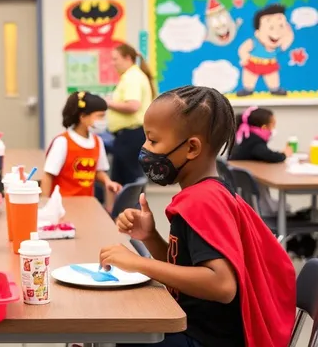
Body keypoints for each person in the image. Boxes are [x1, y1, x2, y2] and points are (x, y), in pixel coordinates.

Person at [101, 86, 295, 347]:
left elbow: (222, 285)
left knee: (116, 334)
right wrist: (150, 238)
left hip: (204, 339)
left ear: (192, 147)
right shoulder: (207, 192)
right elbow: (189, 268)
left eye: (154, 141)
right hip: (194, 329)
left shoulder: (202, 201)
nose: (145, 148)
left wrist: (138, 263)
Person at [43, 92, 121, 201]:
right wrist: (44, 204)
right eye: (100, 116)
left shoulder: (97, 142)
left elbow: (97, 171)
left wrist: (107, 181)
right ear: (83, 117)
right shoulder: (63, 142)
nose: (103, 121)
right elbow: (48, 175)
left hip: (87, 203)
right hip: (63, 203)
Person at [229, 106, 292, 216]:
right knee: (286, 207)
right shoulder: (255, 140)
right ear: (264, 127)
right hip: (257, 209)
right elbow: (269, 156)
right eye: (273, 125)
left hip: (243, 204)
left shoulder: (244, 136)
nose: (274, 129)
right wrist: (284, 154)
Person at [106, 43, 155, 185]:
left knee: (130, 180)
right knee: (122, 179)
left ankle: (133, 206)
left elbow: (133, 105)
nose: (113, 63)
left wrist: (107, 103)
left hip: (130, 135)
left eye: (115, 59)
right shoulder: (132, 75)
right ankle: (125, 206)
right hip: (127, 136)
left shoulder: (132, 77)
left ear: (127, 58)